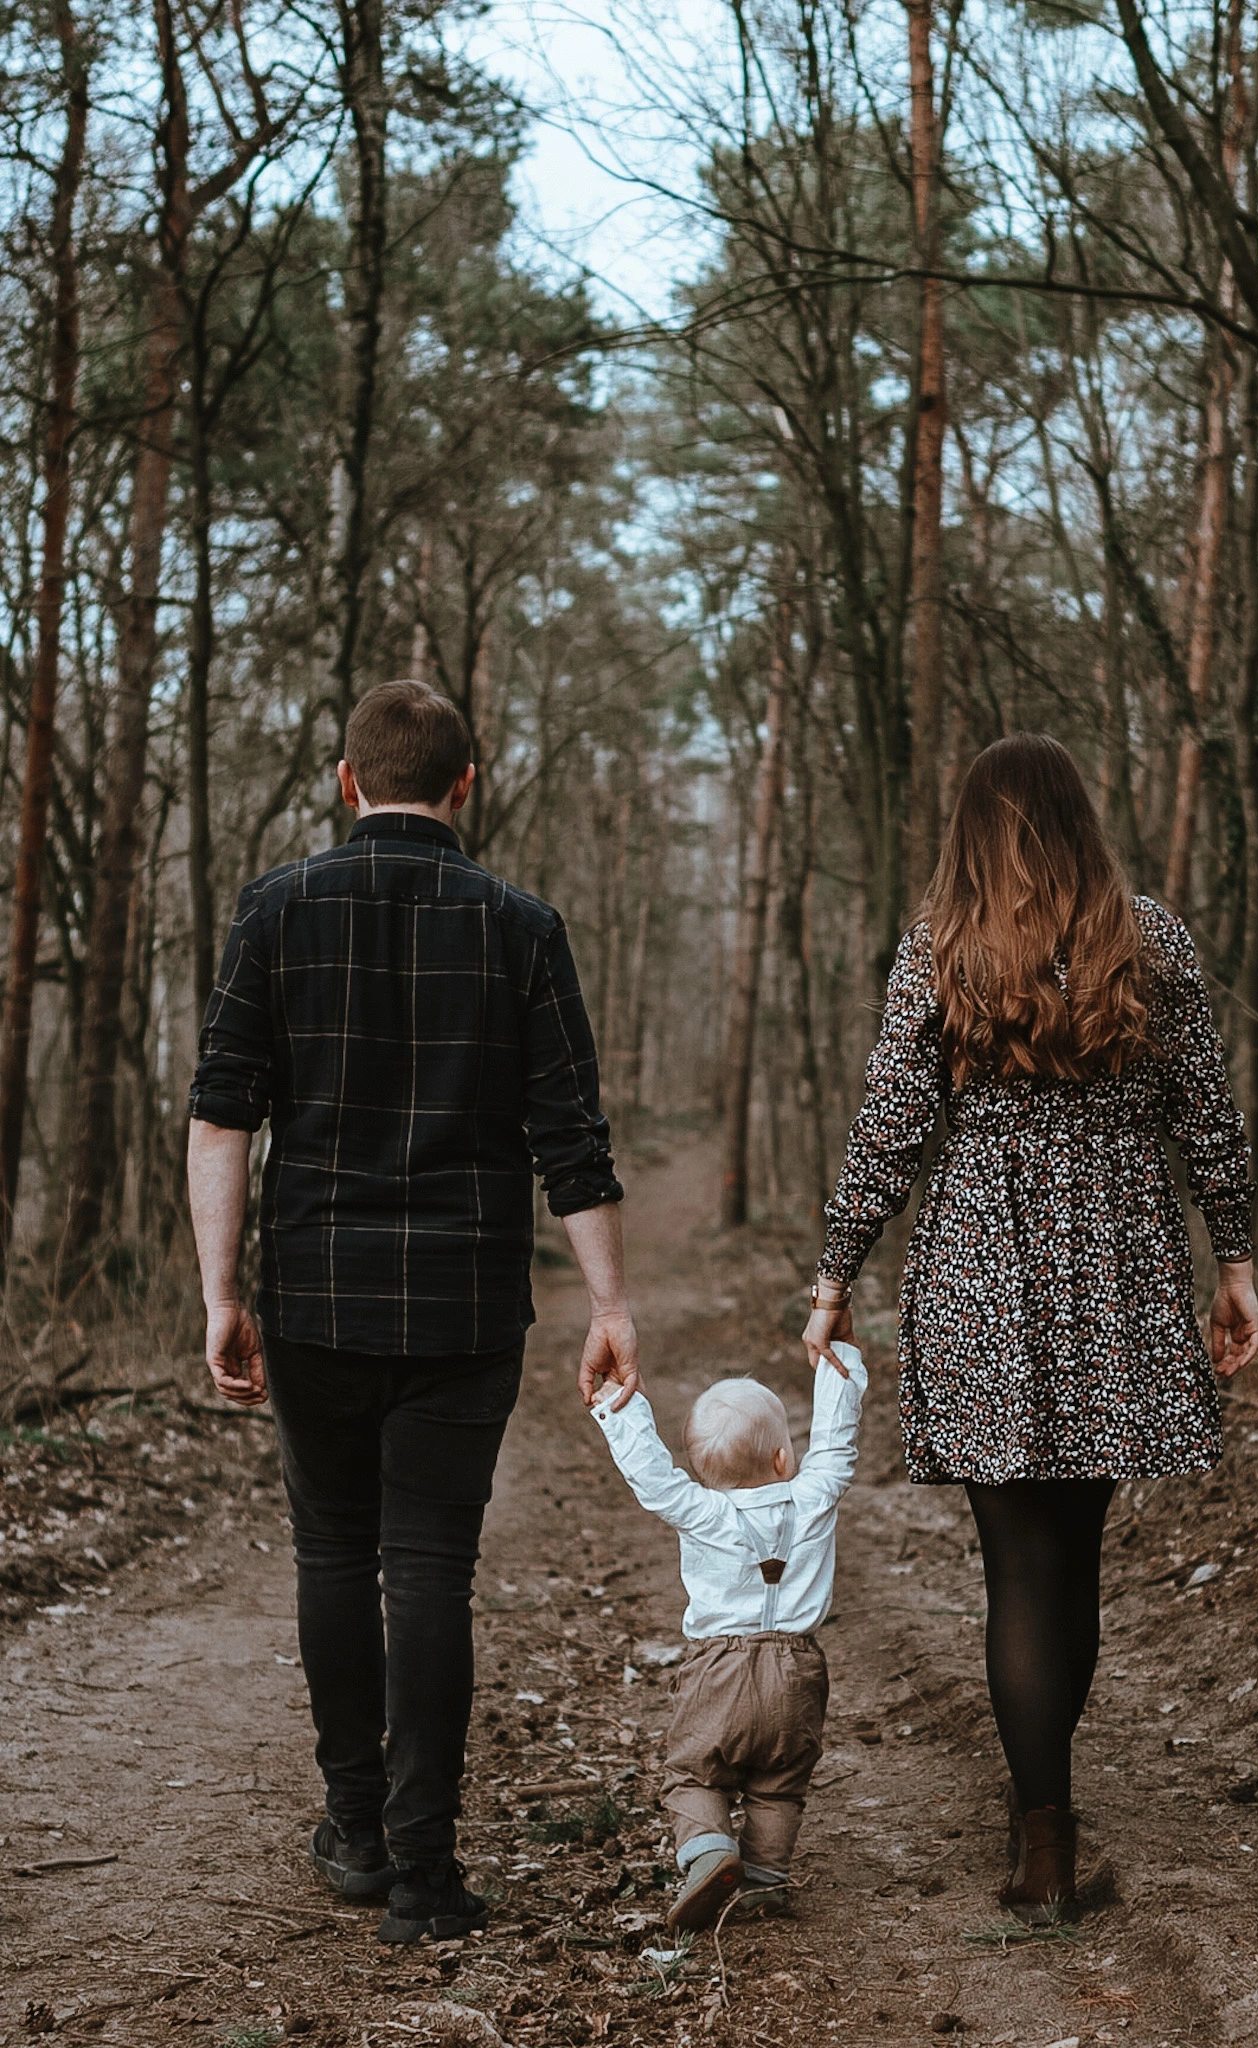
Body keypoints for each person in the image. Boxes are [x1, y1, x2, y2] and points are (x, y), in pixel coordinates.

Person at [186, 679, 639, 1945]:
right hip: (462, 1302)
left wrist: (223, 1290)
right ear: (465, 785)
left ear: (346, 781)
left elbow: (223, 1108)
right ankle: (425, 1871)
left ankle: (359, 1825)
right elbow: (574, 1141)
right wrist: (611, 1305)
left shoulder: (276, 910)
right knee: (433, 1567)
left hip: (318, 1292)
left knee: (335, 1554)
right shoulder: (520, 926)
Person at [802, 733, 1258, 1923]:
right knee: (1075, 1552)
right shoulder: (1148, 938)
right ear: (1078, 818)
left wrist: (834, 1273)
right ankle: (1050, 1823)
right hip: (1117, 1261)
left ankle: (1039, 1837)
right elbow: (1205, 1109)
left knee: (1015, 1565)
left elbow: (890, 1129)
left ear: (973, 829)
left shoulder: (941, 947)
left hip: (981, 1270)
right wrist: (1237, 1259)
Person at [592, 1346, 866, 1931]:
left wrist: (620, 1406)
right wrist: (838, 1358)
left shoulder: (702, 1511)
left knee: (694, 1774)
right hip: (798, 1671)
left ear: (702, 1469)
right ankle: (764, 1882)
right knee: (779, 1784)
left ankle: (711, 1850)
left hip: (718, 1669)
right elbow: (837, 1447)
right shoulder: (813, 1497)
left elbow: (652, 1477)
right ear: (783, 1457)